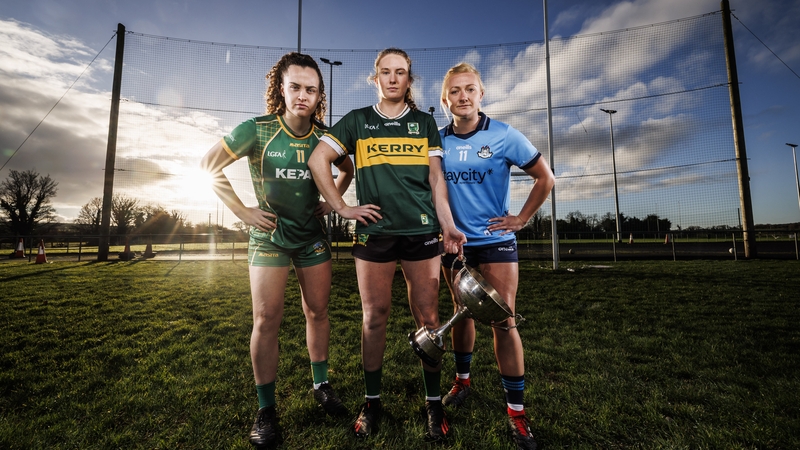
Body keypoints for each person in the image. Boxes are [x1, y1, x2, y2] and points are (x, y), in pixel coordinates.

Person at [308, 48, 466, 442]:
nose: (393, 78)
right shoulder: (359, 121)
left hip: (422, 234)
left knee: (429, 321)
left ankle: (433, 405)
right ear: (375, 78)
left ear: (409, 79)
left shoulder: (424, 123)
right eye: (385, 72)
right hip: (374, 234)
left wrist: (447, 225)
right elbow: (318, 159)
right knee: (373, 317)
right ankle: (372, 402)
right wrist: (342, 207)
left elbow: (436, 181)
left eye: (400, 72)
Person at [200, 52, 354, 449]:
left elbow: (347, 169)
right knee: (267, 318)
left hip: (312, 237)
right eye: (295, 87)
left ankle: (321, 385)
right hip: (269, 235)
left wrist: (332, 199)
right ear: (280, 89)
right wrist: (242, 211)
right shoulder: (258, 129)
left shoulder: (325, 136)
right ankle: (265, 410)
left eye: (311, 89)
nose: (303, 95)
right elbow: (208, 165)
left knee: (317, 311)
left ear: (320, 95)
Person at [438, 62, 555, 450]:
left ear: (481, 93)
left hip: (495, 243)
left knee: (504, 321)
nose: (463, 96)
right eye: (455, 91)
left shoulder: (503, 135)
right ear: (445, 99)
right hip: (454, 245)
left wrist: (520, 218)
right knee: (460, 314)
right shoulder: (437, 143)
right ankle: (462, 381)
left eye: (470, 89)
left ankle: (517, 414)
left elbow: (545, 177)